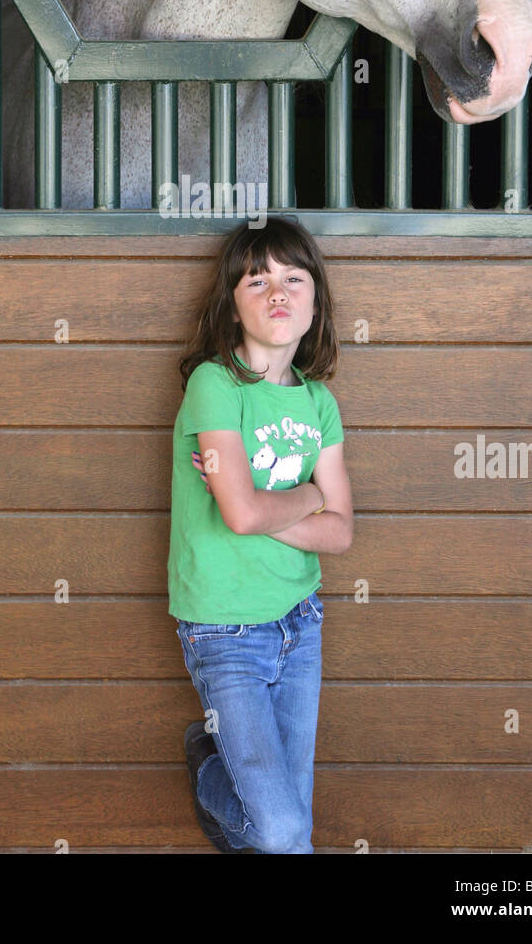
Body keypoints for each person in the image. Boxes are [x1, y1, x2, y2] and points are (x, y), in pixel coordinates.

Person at [167, 215, 354, 854]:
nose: (278, 293)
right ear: (233, 304)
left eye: (293, 279)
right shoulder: (213, 385)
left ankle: (219, 775)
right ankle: (209, 767)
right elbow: (242, 516)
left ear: (313, 303)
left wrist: (263, 505)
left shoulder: (318, 402)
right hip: (224, 632)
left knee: (289, 832)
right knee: (280, 830)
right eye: (257, 281)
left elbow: (341, 533)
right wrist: (306, 496)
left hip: (299, 624)